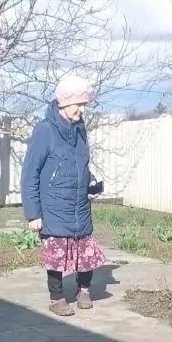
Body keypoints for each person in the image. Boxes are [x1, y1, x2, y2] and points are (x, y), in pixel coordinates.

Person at [22, 74, 107, 317]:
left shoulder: (80, 129)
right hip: (54, 207)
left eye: (85, 104)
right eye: (78, 104)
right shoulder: (44, 130)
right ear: (64, 103)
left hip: (79, 205)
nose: (82, 109)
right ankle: (57, 298)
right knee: (56, 255)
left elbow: (79, 164)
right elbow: (30, 173)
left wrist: (90, 182)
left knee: (86, 252)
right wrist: (33, 214)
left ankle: (84, 290)